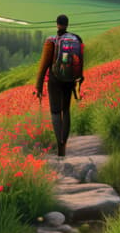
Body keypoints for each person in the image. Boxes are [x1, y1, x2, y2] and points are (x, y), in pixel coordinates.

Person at [35, 14, 84, 157]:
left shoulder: (51, 41)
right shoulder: (76, 39)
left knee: (56, 112)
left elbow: (43, 66)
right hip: (69, 80)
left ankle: (60, 146)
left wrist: (38, 86)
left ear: (57, 24)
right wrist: (78, 80)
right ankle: (65, 143)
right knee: (66, 110)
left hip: (54, 81)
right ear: (67, 24)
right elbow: (79, 62)